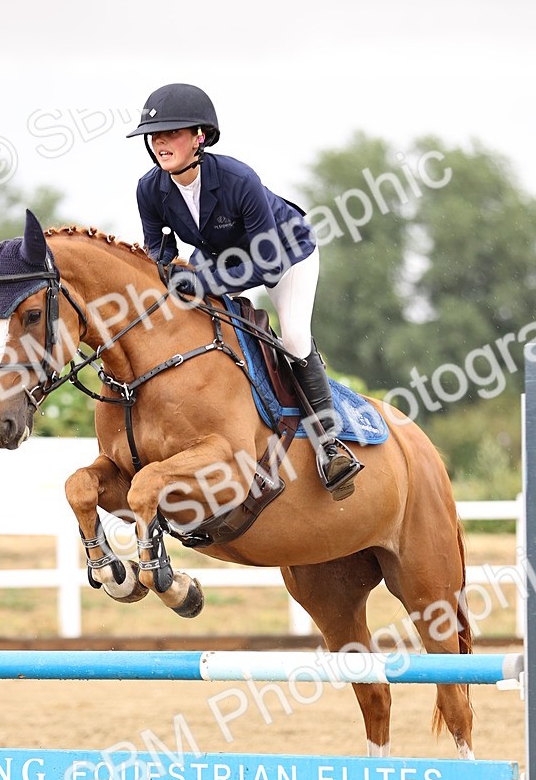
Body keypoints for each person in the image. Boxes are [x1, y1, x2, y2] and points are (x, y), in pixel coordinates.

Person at [127, 82, 362, 500]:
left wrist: (203, 281)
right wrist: (168, 275)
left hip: (287, 254)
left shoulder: (238, 179)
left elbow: (268, 262)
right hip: (219, 260)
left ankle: (330, 443)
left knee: (292, 338)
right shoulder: (150, 189)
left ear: (200, 137)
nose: (160, 141)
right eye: (155, 135)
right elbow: (159, 248)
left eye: (172, 133)